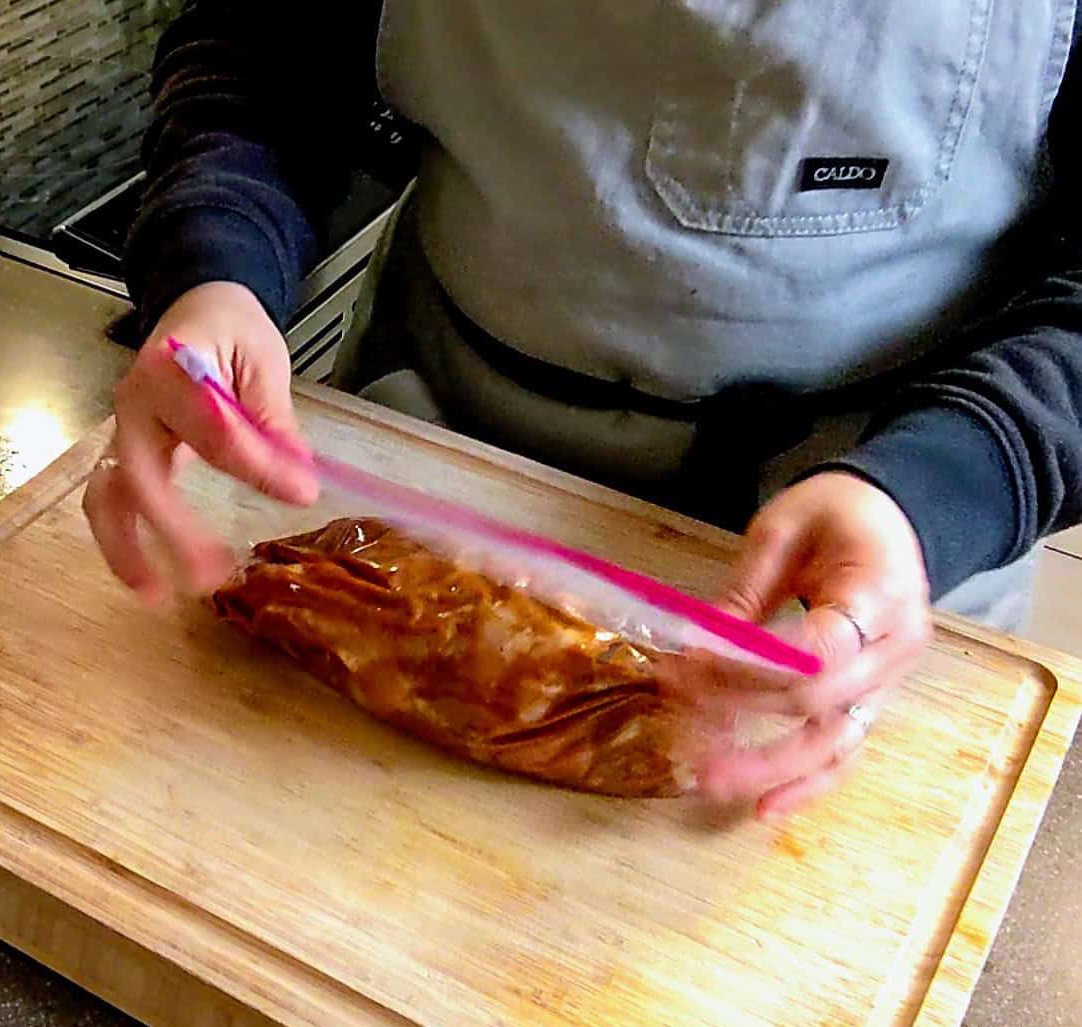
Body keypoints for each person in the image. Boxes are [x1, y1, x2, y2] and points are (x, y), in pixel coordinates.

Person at [82, 1, 1082, 817]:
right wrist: (215, 269)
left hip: (878, 549)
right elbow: (263, 56)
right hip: (434, 445)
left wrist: (953, 480)